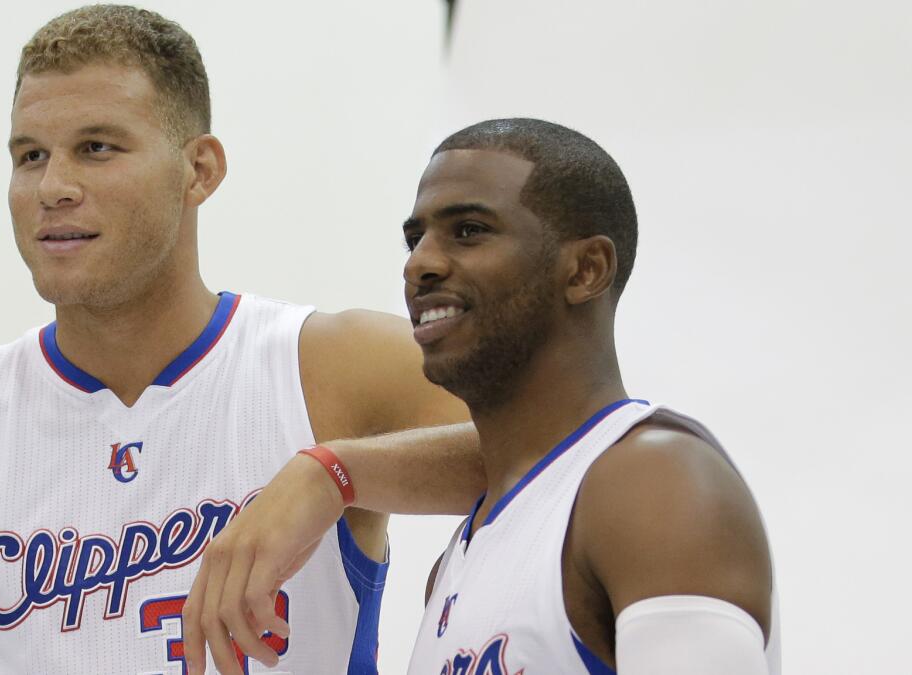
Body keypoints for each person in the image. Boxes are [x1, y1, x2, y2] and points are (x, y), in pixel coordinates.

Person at [0, 6, 483, 674]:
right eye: (30, 155)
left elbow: (562, 451)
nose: (53, 186)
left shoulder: (333, 368)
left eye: (96, 148)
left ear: (200, 170)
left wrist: (335, 473)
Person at [182, 118, 780, 675]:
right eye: (415, 239)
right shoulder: (464, 553)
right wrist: (332, 471)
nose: (421, 264)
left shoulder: (654, 483)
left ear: (585, 270)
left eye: (469, 231)